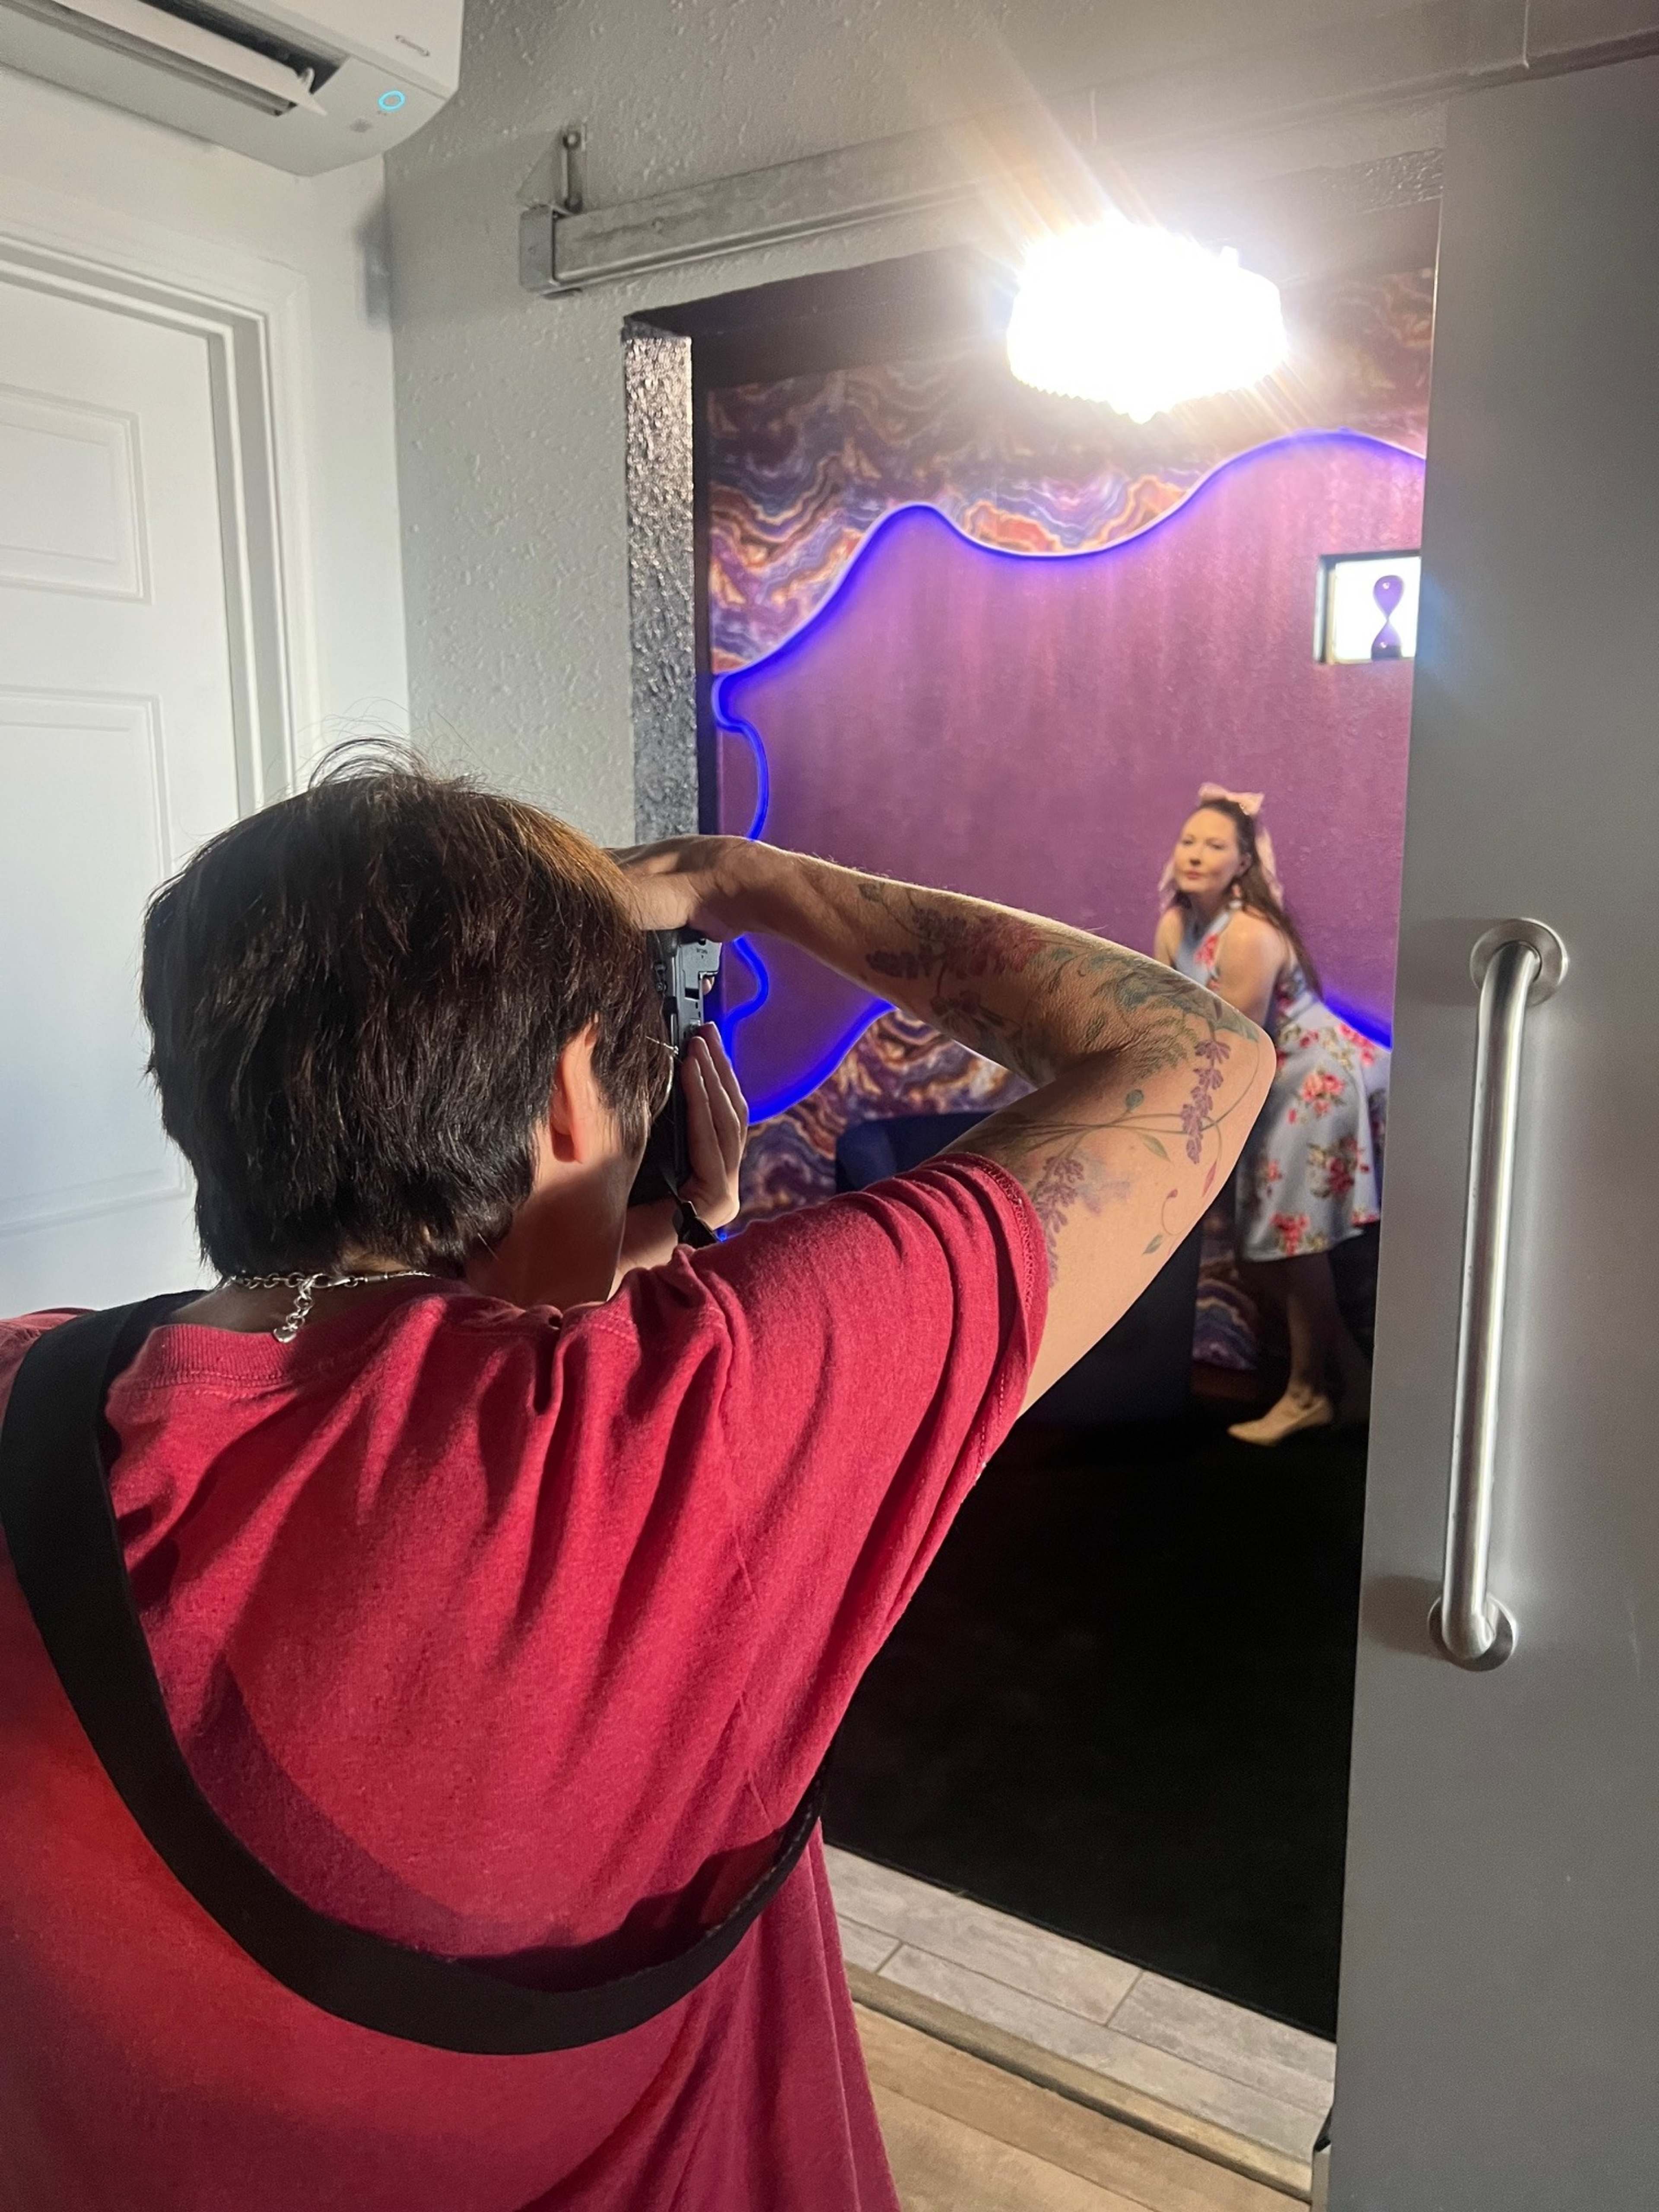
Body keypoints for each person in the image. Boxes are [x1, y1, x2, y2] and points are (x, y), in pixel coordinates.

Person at [0, 756, 1271, 2212]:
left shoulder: (28, 1396)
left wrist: (610, 1259)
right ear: (562, 1102)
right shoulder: (687, 1435)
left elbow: (359, 1396)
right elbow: (1199, 1057)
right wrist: (754, 882)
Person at [1154, 784, 1388, 1447]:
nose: (1197, 855)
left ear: (1243, 863)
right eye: (1189, 841)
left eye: (1216, 846)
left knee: (1293, 1241)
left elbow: (1233, 1042)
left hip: (1308, 1079)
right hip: (1260, 1085)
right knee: (1266, 1254)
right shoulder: (1177, 926)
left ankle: (1309, 1393)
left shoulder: (1252, 934)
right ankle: (1356, 1385)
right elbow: (1169, 1015)